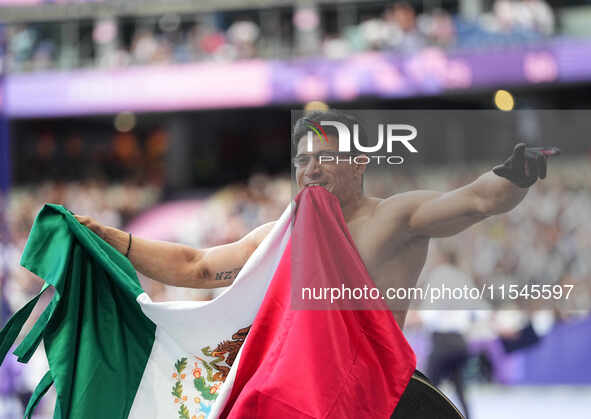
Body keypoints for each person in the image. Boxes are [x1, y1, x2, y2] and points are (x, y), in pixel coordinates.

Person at [76, 109, 558, 328]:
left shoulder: (397, 217)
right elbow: (196, 267)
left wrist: (517, 171)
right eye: (303, 161)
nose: (310, 170)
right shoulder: (283, 235)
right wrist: (108, 238)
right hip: (306, 398)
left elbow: (478, 200)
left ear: (360, 162)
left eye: (325, 158)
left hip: (378, 394)